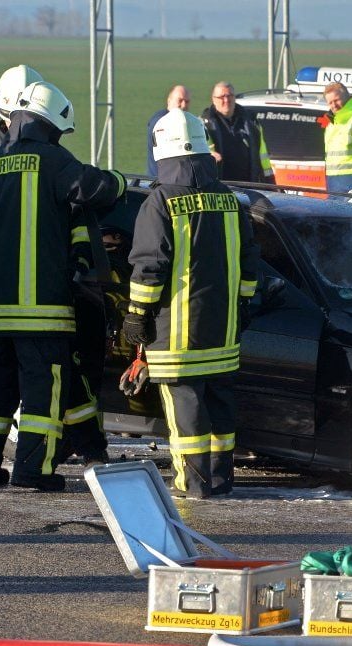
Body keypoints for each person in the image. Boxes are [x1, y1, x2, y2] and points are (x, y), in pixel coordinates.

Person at [0, 81, 126, 491]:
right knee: (42, 395)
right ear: (51, 123)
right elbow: (98, 189)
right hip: (41, 312)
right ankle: (32, 472)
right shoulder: (52, 161)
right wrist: (121, 181)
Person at [124, 109, 259, 498]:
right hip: (223, 331)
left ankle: (191, 484)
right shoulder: (231, 202)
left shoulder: (160, 202)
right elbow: (249, 264)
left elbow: (150, 266)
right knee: (219, 406)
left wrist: (136, 316)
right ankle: (220, 480)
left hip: (177, 336)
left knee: (186, 410)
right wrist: (243, 305)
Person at [200, 81, 273, 184]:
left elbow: (263, 156)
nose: (226, 100)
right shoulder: (204, 124)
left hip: (250, 187)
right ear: (213, 99)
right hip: (220, 188)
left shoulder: (251, 122)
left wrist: (270, 182)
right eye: (221, 97)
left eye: (229, 96)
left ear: (234, 97)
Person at [146, 84, 190, 178]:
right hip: (161, 181)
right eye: (180, 100)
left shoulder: (179, 121)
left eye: (187, 101)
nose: (184, 105)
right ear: (169, 100)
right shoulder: (160, 122)